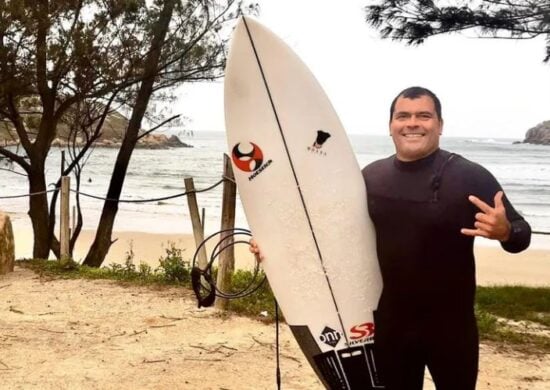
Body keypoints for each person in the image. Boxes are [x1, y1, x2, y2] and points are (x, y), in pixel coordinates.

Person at [250, 86, 531, 390]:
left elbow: (521, 234)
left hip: (452, 329)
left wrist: (505, 231)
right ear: (391, 126)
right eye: (403, 116)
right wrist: (274, 245)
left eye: (423, 116)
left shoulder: (469, 176)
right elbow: (330, 231)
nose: (412, 123)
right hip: (392, 325)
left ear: (439, 125)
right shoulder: (371, 177)